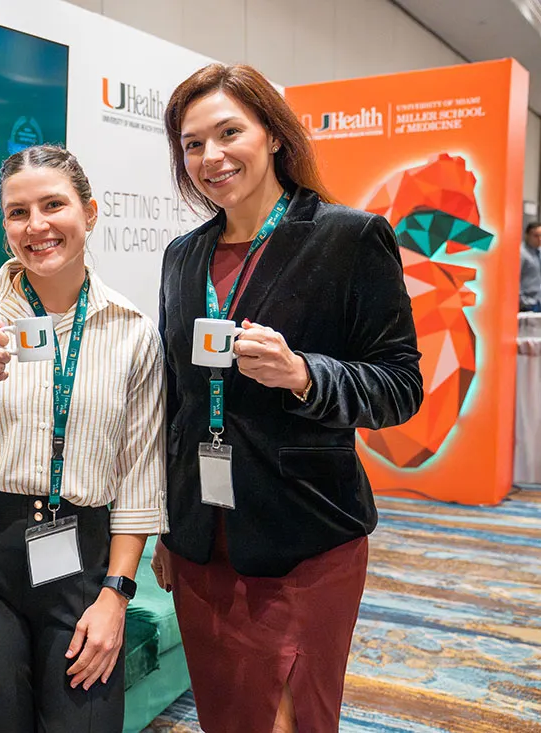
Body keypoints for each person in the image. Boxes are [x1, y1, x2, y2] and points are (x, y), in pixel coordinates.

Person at [150, 64, 423, 732]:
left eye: (229, 132)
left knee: (290, 718)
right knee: (225, 714)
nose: (211, 157)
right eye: (192, 144)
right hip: (201, 536)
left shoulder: (349, 237)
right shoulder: (182, 256)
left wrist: (304, 374)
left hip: (303, 534)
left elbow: (400, 385)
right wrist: (166, 525)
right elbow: (177, 401)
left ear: (273, 134)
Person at [0, 144, 167, 732]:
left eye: (53, 205)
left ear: (89, 212)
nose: (36, 226)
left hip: (81, 552)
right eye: (17, 213)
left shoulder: (130, 330)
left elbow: (141, 475)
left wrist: (116, 594)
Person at [522, 221, 541, 311]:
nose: (539, 239)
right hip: (527, 304)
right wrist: (523, 301)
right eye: (536, 236)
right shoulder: (521, 254)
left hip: (538, 302)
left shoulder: (539, 252)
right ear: (527, 235)